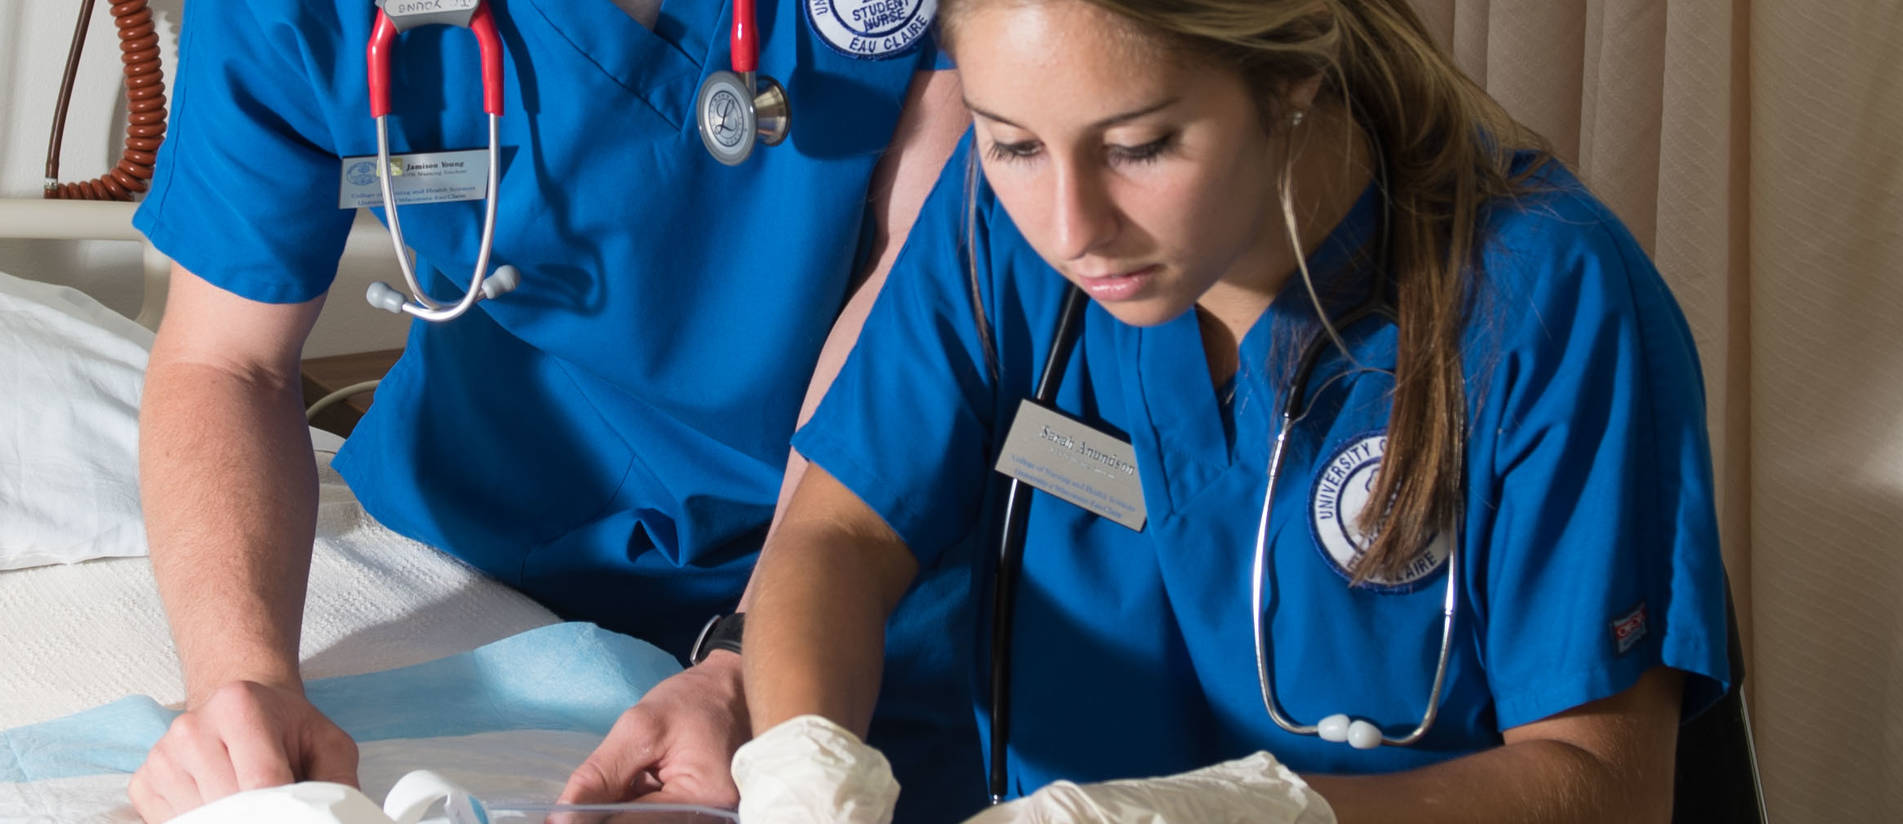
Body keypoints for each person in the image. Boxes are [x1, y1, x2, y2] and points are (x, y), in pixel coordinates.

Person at [729, 0, 1733, 820]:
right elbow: (841, 532)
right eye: (1013, 144)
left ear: (1291, 75)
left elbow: (1604, 782)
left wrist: (1260, 813)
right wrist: (802, 771)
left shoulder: (1541, 300)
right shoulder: (998, 221)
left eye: (1142, 145)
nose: (1073, 229)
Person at [124, 1, 980, 821]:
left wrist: (754, 655)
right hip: (475, 542)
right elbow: (227, 361)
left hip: (855, 537)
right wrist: (244, 680)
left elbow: (921, 286)